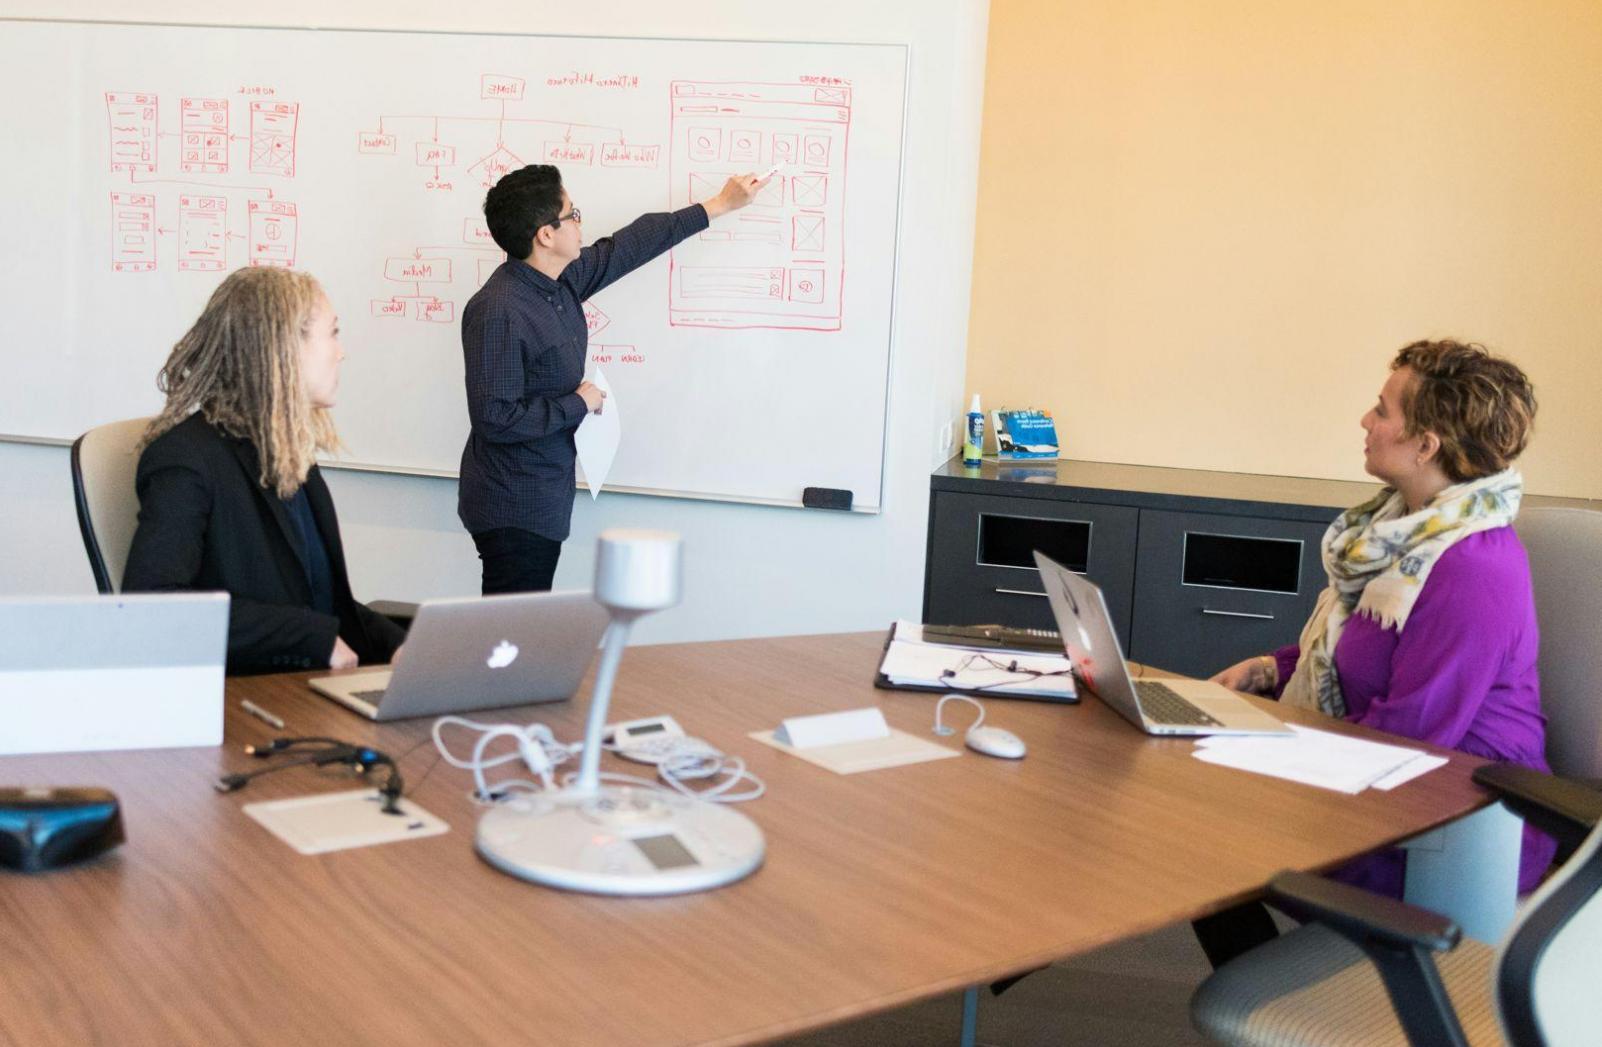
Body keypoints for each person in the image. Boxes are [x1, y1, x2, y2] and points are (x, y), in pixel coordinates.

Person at [1193, 339, 1555, 967]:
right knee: (1196, 817)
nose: (1366, 421)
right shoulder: (1397, 535)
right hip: (1382, 776)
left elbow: (1411, 736)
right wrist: (1269, 670)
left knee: (1206, 830)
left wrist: (1268, 749)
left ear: (1426, 444)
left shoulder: (1474, 568)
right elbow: (1355, 650)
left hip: (1456, 820)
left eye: (1383, 410)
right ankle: (1273, 985)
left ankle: (1305, 999)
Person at [458, 164, 765, 594]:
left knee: (523, 621)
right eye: (572, 214)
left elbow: (630, 245)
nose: (580, 223)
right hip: (513, 503)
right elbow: (496, 418)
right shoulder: (500, 310)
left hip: (543, 494)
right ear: (545, 235)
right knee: (512, 626)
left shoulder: (559, 282)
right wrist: (577, 404)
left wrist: (718, 205)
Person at [122, 267, 405, 675]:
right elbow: (152, 608)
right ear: (283, 347)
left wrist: (400, 645)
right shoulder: (187, 459)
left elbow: (323, 602)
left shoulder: (288, 455)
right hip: (243, 693)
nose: (340, 352)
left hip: (297, 684)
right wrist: (308, 638)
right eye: (332, 333)